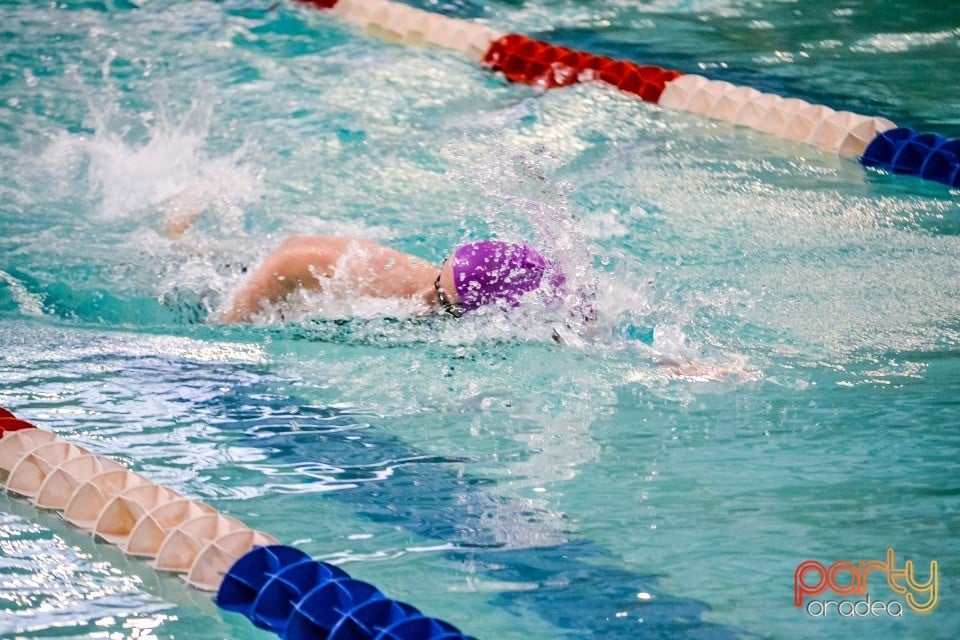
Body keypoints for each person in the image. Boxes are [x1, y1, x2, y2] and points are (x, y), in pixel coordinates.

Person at [216, 235, 555, 323]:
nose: (426, 296)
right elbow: (292, 254)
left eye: (445, 304)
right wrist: (229, 324)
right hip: (264, 276)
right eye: (438, 279)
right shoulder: (390, 279)